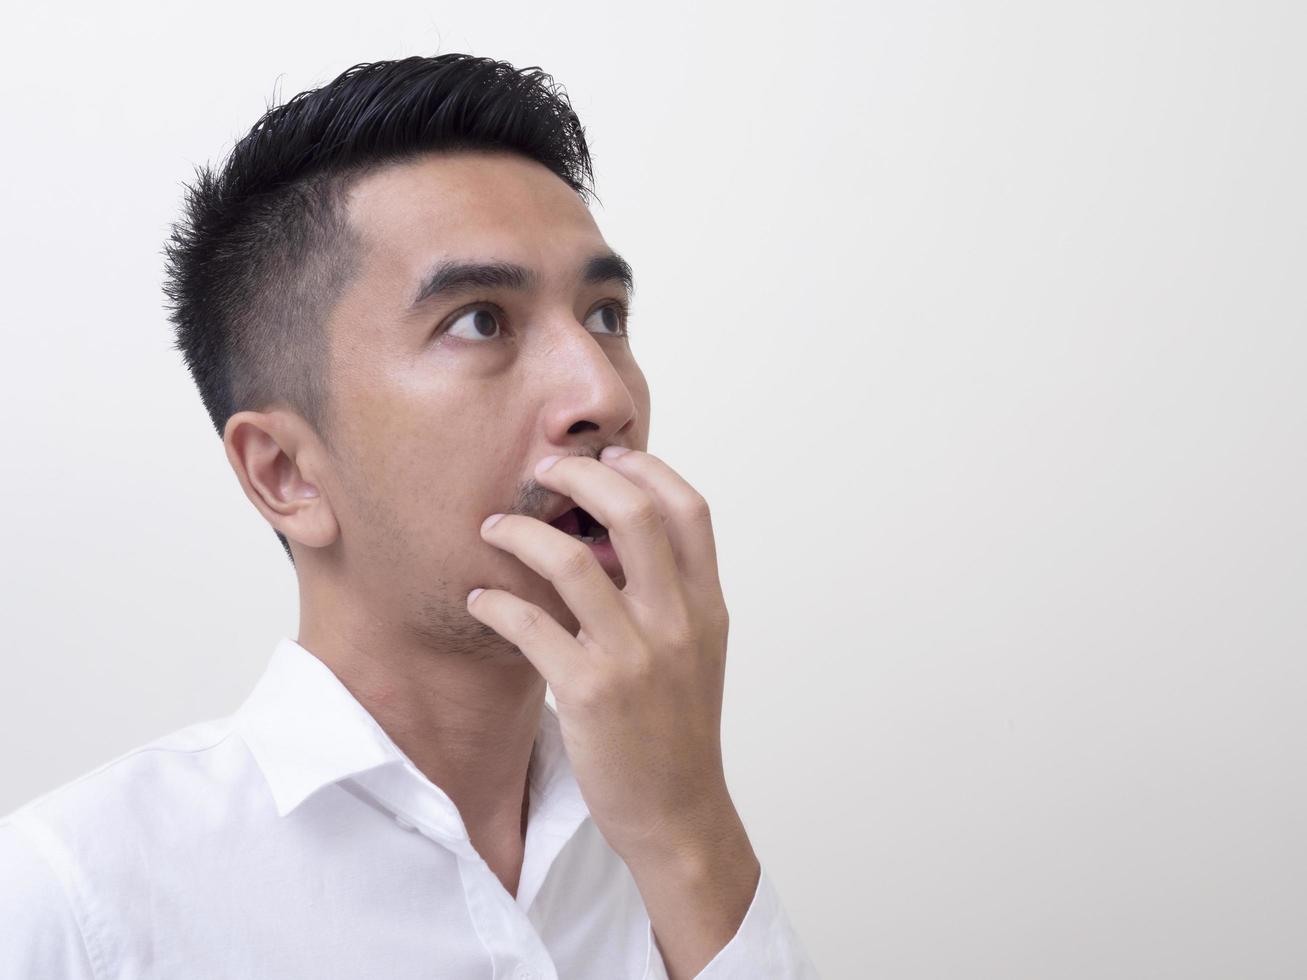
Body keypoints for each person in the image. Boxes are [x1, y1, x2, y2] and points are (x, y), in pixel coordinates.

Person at [0, 53, 819, 979]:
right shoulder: (76, 901)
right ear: (285, 475)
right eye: (480, 321)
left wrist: (686, 831)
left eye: (603, 315)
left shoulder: (662, 825)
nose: (601, 394)